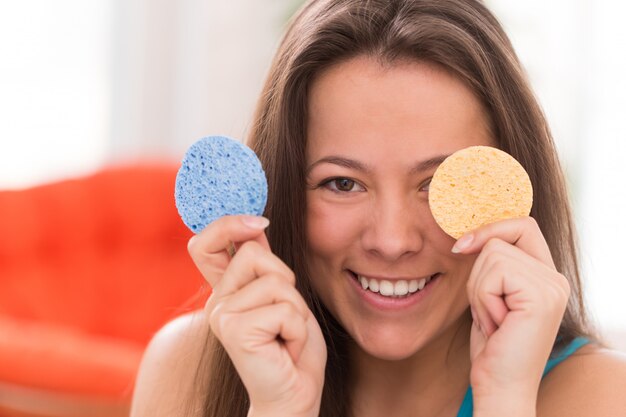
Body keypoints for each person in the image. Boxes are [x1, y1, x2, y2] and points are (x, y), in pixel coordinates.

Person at [130, 0, 626, 416]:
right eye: (342, 183)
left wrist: (504, 400)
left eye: (435, 184)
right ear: (281, 193)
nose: (391, 241)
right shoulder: (184, 372)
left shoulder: (602, 397)